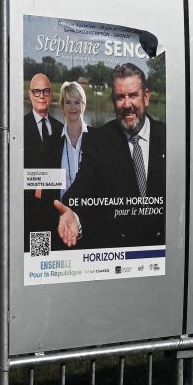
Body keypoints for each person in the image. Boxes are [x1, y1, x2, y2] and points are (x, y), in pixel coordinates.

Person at [52, 63, 164, 249]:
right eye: (120, 97)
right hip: (118, 255)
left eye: (133, 95)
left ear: (146, 97)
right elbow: (80, 190)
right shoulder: (99, 141)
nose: (127, 104)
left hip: (164, 257)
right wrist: (73, 214)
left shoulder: (168, 137)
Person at [23, 72, 66, 242]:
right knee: (33, 259)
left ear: (51, 94)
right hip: (29, 209)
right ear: (29, 94)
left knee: (53, 258)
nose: (41, 95)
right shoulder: (19, 127)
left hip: (56, 208)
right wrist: (38, 189)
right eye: (36, 91)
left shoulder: (61, 128)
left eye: (46, 91)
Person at [59, 80, 88, 190]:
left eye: (77, 102)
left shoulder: (97, 139)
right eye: (68, 102)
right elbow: (43, 185)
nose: (72, 107)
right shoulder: (53, 141)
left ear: (83, 105)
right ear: (62, 106)